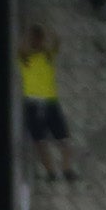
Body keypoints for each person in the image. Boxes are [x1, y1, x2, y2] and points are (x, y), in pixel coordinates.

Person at [20, 27, 74, 182]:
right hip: (33, 102)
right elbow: (21, 49)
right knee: (39, 141)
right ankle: (50, 171)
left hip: (50, 101)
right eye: (35, 38)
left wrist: (47, 32)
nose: (37, 41)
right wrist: (28, 36)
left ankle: (66, 169)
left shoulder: (47, 55)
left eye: (39, 38)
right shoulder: (25, 58)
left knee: (63, 138)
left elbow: (57, 42)